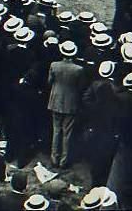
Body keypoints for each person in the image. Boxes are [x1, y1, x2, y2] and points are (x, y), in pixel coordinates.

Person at [47, 41, 86, 170]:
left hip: (56, 100)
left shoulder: (54, 65)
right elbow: (81, 87)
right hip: (71, 103)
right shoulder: (78, 69)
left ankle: (54, 158)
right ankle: (64, 161)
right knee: (67, 133)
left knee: (56, 130)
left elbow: (50, 81)